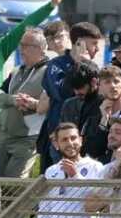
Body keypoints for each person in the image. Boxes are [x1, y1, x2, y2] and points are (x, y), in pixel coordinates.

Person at [38, 21, 103, 168]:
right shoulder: (56, 65)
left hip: (85, 140)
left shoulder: (93, 69)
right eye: (93, 43)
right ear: (80, 42)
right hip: (60, 141)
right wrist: (77, 63)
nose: (98, 49)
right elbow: (63, 93)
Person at [0, 28, 49, 177]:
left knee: (14, 184)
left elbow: (53, 104)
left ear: (40, 49)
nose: (21, 49)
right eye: (21, 44)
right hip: (2, 135)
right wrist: (12, 100)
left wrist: (34, 104)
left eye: (25, 45)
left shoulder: (49, 72)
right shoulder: (16, 71)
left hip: (26, 140)